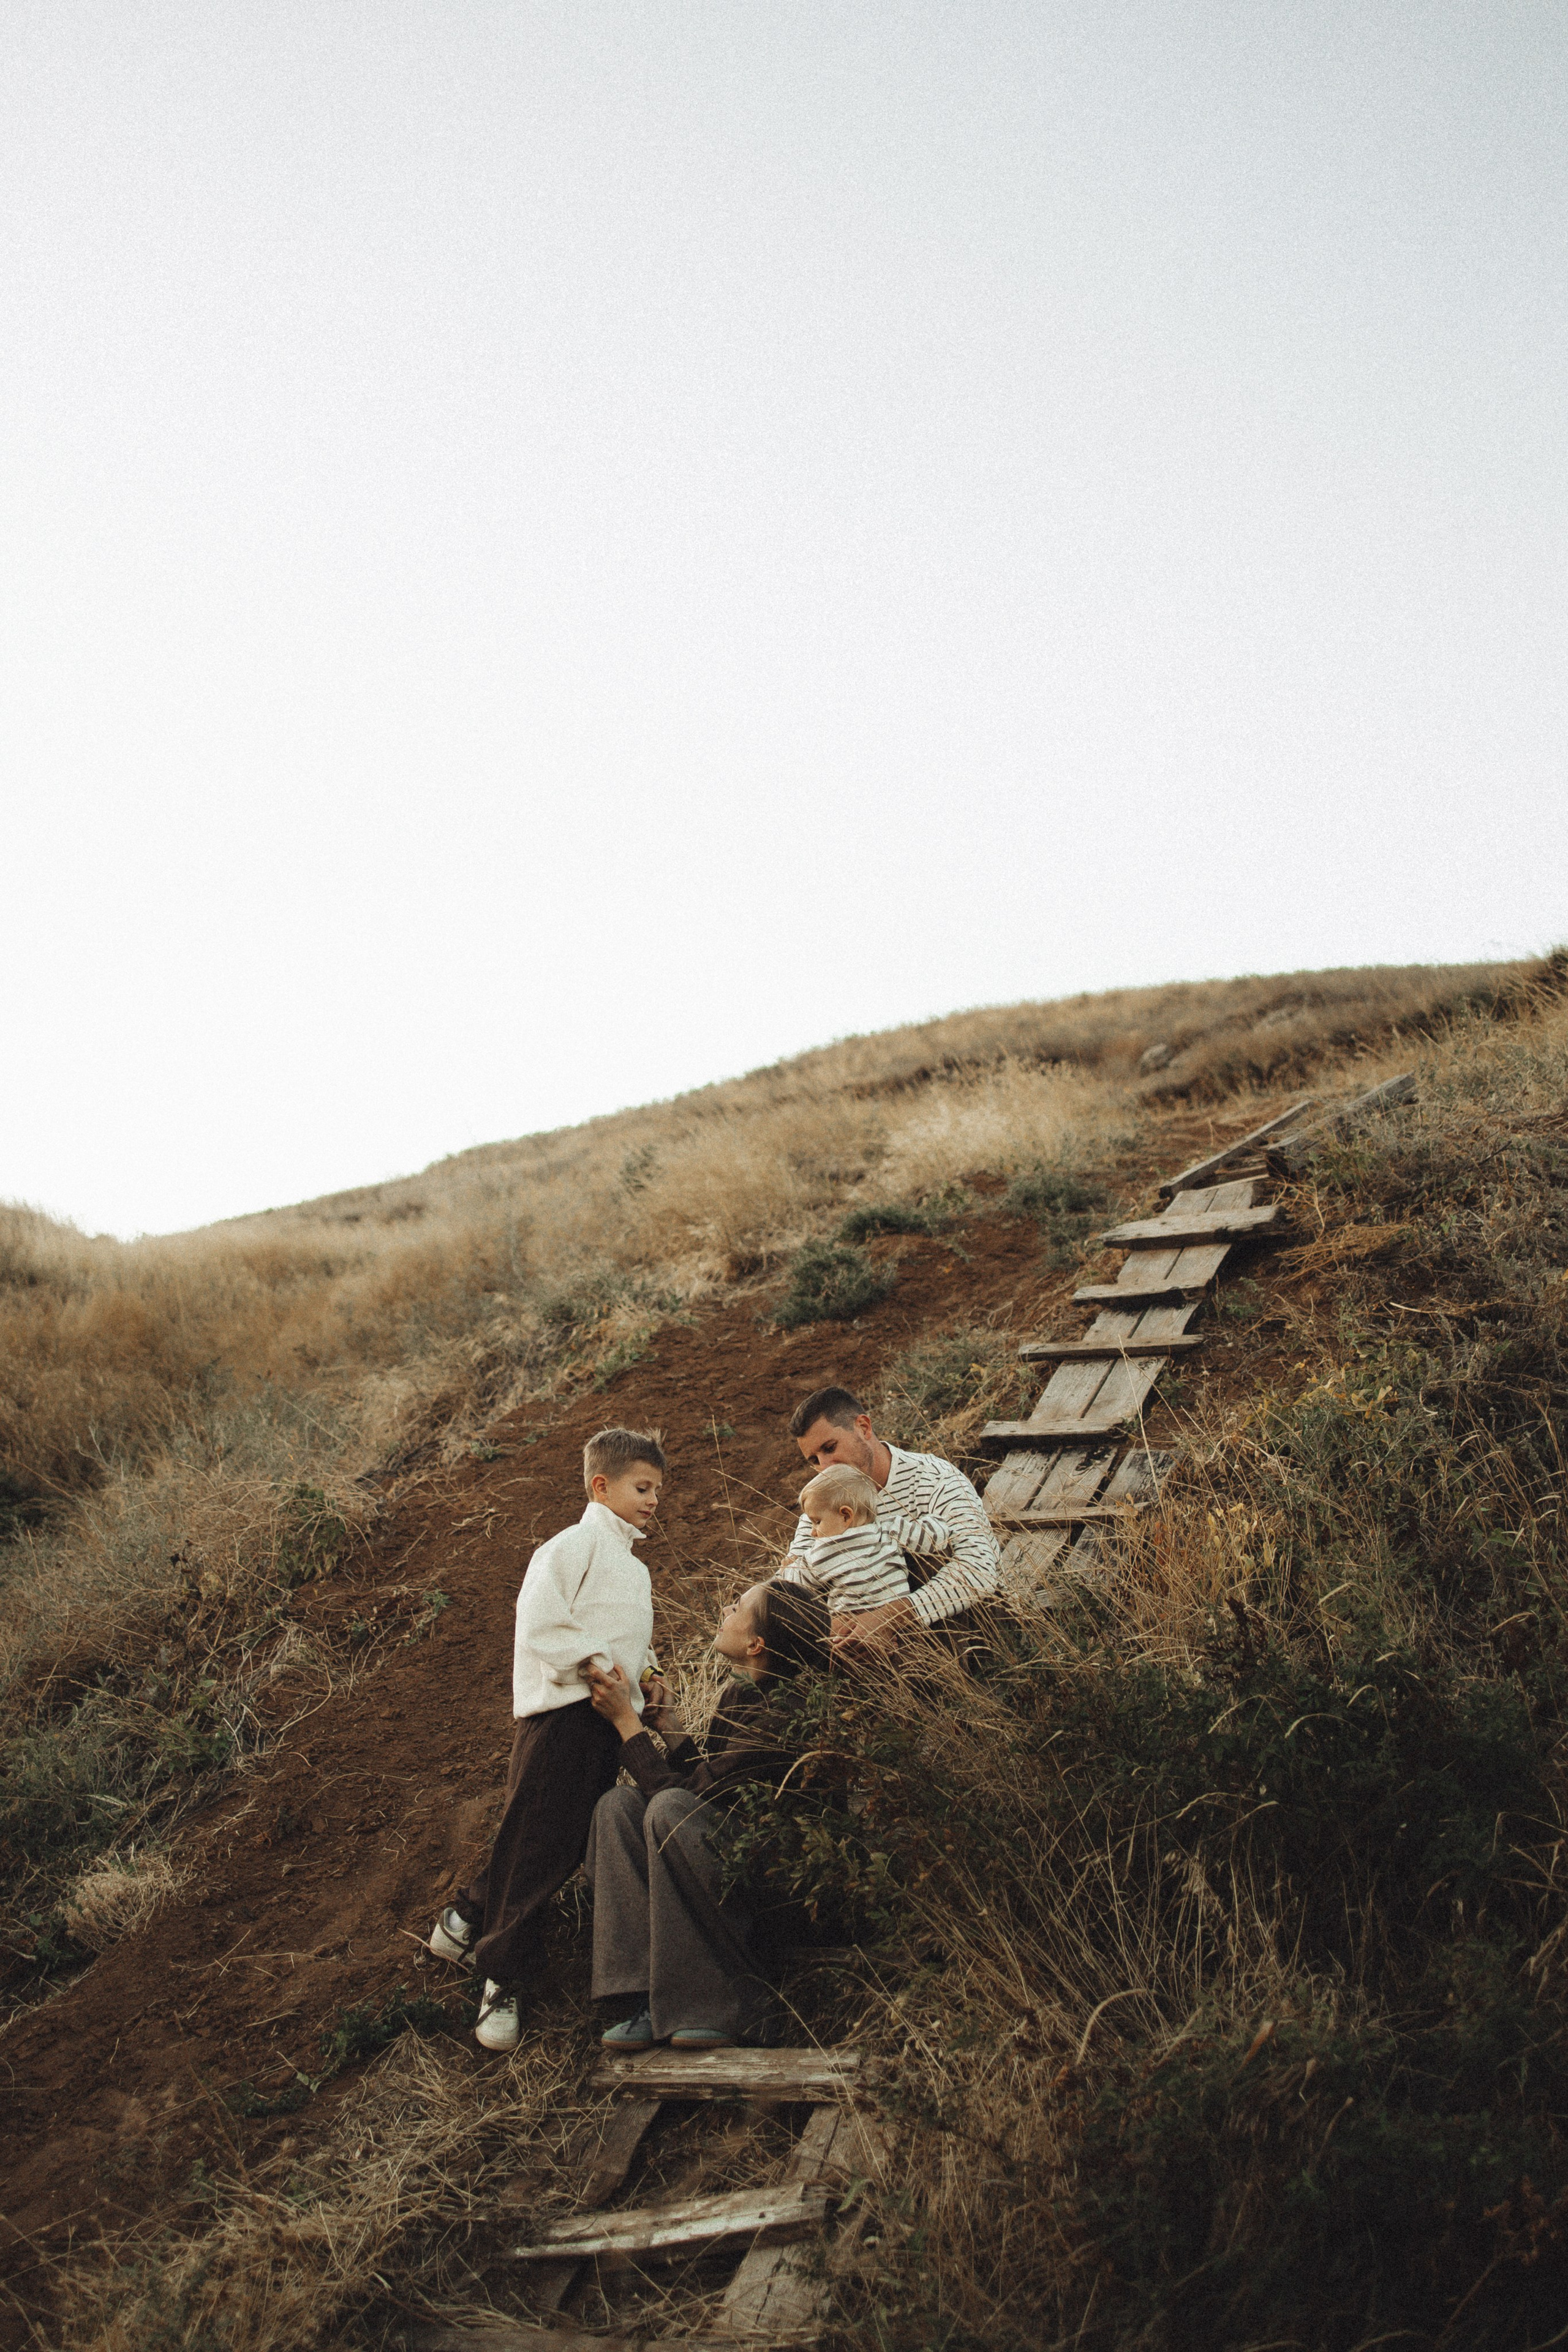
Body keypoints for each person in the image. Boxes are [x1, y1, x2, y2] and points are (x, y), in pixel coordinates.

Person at [425, 1425, 666, 2053]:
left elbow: (621, 1637)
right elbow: (538, 1620)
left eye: (658, 1490)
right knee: (537, 1847)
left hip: (603, 1724)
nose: (653, 1499)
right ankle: (499, 1976)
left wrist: (647, 1673)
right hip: (562, 1718)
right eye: (642, 1487)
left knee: (552, 1844)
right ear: (600, 1485)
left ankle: (467, 1915)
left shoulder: (632, 1569)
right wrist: (591, 1662)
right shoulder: (572, 1545)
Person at [582, 1579, 831, 2052]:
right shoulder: (741, 1692)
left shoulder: (789, 1714)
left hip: (780, 1889)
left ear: (756, 1644)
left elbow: (688, 1801)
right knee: (618, 1807)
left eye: (738, 1606)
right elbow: (711, 1785)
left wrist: (626, 1723)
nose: (726, 1607)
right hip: (728, 1856)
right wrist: (672, 1729)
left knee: (668, 1809)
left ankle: (723, 2005)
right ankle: (646, 1998)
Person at [783, 1385, 1000, 1657]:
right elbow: (789, 1590)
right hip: (856, 1641)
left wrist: (887, 1619)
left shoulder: (935, 1479)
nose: (826, 1467)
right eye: (814, 1460)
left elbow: (978, 1566)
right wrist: (834, 1626)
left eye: (830, 1448)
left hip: (967, 1631)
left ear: (863, 1427)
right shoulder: (822, 1501)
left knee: (930, 1550)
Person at [785, 1461, 951, 1619]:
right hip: (896, 1621)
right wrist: (936, 1521)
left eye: (817, 1522)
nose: (813, 1532)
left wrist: (789, 1566)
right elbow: (933, 1537)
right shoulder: (891, 1529)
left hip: (847, 1629)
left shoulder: (824, 1551)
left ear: (846, 1515)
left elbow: (792, 1584)